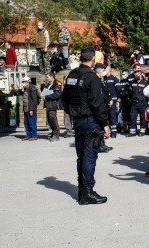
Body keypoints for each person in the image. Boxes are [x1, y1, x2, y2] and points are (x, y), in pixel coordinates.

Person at [61, 45, 110, 205]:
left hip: (78, 121)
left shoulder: (72, 75)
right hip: (90, 121)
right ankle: (87, 192)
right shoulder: (91, 77)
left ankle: (82, 190)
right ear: (93, 59)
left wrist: (73, 112)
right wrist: (105, 124)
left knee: (81, 156)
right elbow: (97, 104)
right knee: (89, 157)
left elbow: (65, 99)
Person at [127, 65, 149, 137]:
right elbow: (130, 92)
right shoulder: (132, 83)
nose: (136, 76)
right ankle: (132, 132)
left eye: (137, 75)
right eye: (135, 75)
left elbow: (147, 93)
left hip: (142, 103)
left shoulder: (145, 83)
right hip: (134, 103)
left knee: (143, 118)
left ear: (140, 75)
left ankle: (142, 131)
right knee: (132, 117)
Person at [43, 72, 63, 142]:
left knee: (53, 120)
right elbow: (45, 93)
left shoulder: (56, 84)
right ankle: (53, 133)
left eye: (48, 76)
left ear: (52, 77)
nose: (47, 78)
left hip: (53, 105)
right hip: (48, 105)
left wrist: (47, 96)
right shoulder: (48, 85)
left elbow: (57, 94)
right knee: (50, 120)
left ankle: (56, 134)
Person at [103, 65, 120, 138]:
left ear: (110, 70)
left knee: (112, 116)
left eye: (106, 70)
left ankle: (114, 132)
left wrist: (118, 98)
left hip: (113, 99)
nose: (104, 71)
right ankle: (108, 131)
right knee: (107, 116)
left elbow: (119, 89)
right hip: (106, 100)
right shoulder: (104, 79)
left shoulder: (114, 79)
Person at [21, 76, 39, 141]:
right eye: (23, 82)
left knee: (32, 123)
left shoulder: (32, 88)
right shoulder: (25, 89)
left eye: (24, 82)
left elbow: (34, 100)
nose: (23, 83)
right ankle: (28, 135)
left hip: (30, 109)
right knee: (26, 123)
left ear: (28, 82)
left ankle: (34, 135)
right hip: (26, 109)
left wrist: (31, 109)